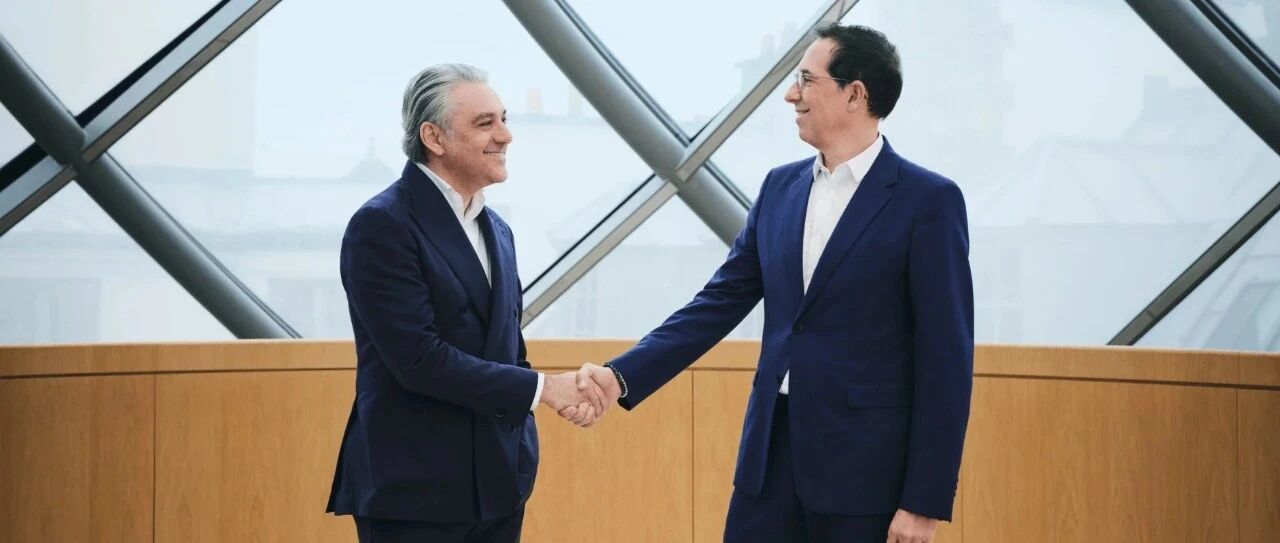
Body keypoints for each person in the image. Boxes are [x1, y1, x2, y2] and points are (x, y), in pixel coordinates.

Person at [576, 24, 974, 543]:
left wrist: (923, 502)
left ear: (855, 94)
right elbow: (717, 303)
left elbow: (946, 359)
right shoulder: (779, 187)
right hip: (768, 465)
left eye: (807, 81)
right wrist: (620, 377)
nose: (791, 94)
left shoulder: (928, 201)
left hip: (865, 477)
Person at [326, 63, 604, 543]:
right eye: (484, 123)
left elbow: (508, 352)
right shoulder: (382, 224)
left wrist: (552, 400)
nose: (506, 135)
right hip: (415, 494)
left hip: (499, 487)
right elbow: (418, 360)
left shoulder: (498, 230)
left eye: (504, 119)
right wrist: (545, 390)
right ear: (433, 137)